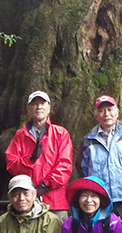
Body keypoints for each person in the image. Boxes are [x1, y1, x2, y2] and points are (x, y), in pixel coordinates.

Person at [6, 91, 73, 219]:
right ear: (28, 109)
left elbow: (65, 166)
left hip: (55, 201)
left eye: (42, 103)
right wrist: (28, 160)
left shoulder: (60, 134)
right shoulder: (20, 136)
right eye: (34, 104)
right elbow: (11, 164)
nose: (39, 107)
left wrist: (44, 185)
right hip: (26, 201)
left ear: (49, 108)